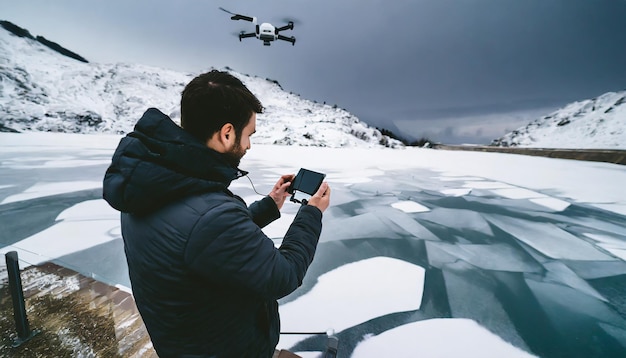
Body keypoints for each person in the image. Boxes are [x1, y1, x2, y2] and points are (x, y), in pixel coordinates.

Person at [102, 70, 330, 358]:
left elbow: (202, 238)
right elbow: (282, 275)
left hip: (180, 340)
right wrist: (311, 214)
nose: (248, 145)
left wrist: (271, 204)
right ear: (226, 133)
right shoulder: (210, 214)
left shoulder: (148, 185)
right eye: (249, 135)